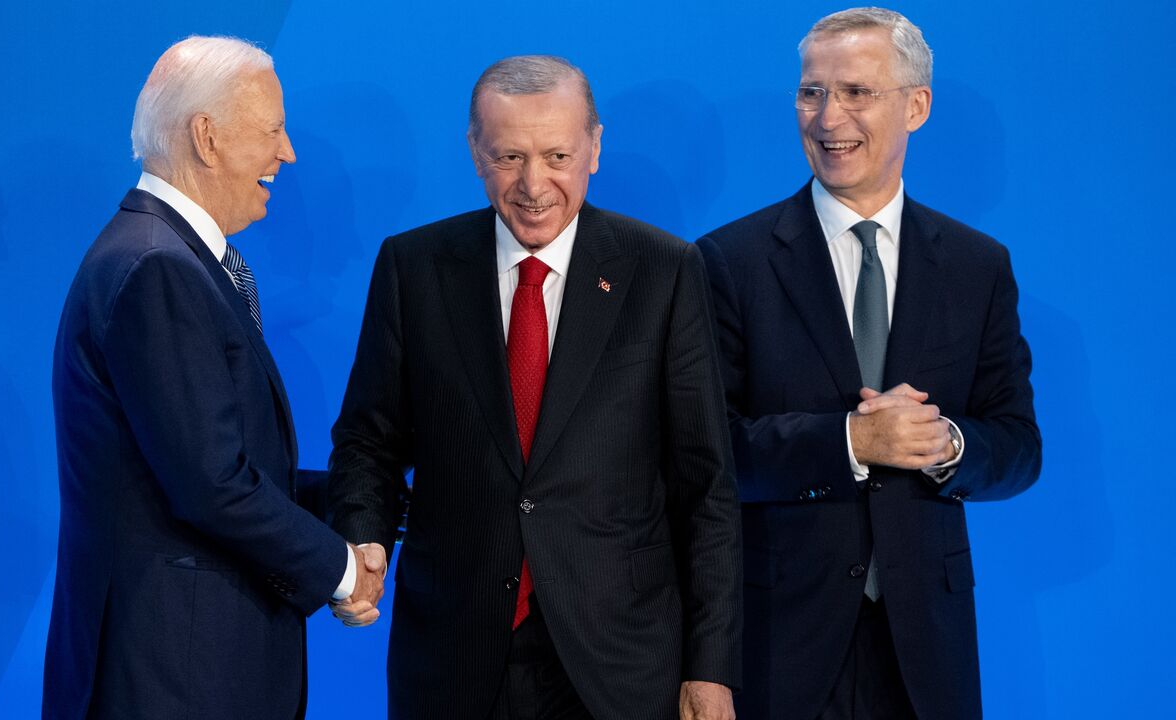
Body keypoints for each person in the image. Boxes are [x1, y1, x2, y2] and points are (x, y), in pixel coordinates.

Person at [327, 55, 742, 720]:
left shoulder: (663, 271)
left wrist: (711, 668)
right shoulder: (414, 267)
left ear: (594, 149)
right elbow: (368, 442)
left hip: (622, 664)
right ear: (475, 151)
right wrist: (365, 538)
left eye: (556, 155)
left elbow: (707, 487)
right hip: (454, 656)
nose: (533, 184)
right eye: (509, 156)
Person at [695, 8, 1042, 719]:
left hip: (927, 652)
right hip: (778, 643)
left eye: (855, 91)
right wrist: (849, 443)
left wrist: (947, 445)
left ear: (915, 106)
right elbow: (704, 453)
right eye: (810, 92)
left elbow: (1018, 448)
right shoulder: (729, 261)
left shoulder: (978, 266)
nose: (827, 117)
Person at [43, 36, 383, 719]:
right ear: (206, 136)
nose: (286, 153)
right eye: (272, 131)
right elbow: (209, 485)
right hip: (172, 677)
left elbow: (217, 463)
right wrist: (342, 571)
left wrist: (374, 508)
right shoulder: (156, 267)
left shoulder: (172, 257)